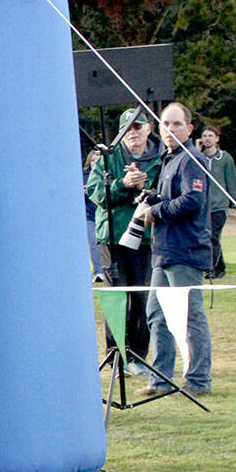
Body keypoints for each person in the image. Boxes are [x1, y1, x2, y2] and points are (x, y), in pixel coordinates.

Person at [138, 102, 212, 396]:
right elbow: (173, 197)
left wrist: (156, 211)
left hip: (186, 251)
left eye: (176, 124)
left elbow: (192, 201)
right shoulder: (170, 159)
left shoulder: (191, 158)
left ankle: (198, 381)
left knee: (190, 316)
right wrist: (153, 197)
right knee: (156, 314)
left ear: (189, 129)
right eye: (165, 124)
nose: (169, 130)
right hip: (164, 251)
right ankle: (161, 379)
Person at [87, 108, 161, 373]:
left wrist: (145, 188)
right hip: (113, 237)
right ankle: (116, 354)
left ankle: (139, 355)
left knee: (142, 298)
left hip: (144, 237)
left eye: (138, 126)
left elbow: (166, 195)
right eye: (128, 128)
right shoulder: (108, 158)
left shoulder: (160, 159)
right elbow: (96, 192)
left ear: (148, 129)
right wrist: (122, 183)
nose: (133, 132)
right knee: (116, 298)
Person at [196, 125, 236, 280]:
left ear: (217, 138)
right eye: (205, 136)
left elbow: (232, 182)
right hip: (203, 207)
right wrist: (196, 151)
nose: (207, 138)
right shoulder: (198, 157)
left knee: (213, 237)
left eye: (210, 135)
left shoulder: (225, 159)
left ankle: (212, 269)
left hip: (218, 207)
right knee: (206, 237)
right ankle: (219, 267)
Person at [83, 149, 103, 282]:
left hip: (104, 215)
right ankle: (98, 272)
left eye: (99, 160)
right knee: (94, 244)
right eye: (94, 160)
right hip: (90, 216)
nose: (96, 162)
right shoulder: (83, 176)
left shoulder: (106, 174)